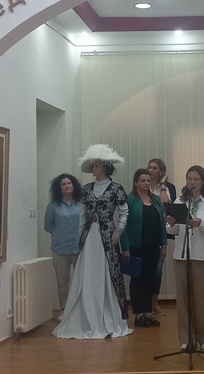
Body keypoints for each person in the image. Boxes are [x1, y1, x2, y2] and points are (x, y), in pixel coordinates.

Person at [53, 144, 132, 339]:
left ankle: (108, 314)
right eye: (93, 165)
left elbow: (124, 212)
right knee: (88, 273)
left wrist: (119, 231)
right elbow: (82, 214)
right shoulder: (87, 189)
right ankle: (86, 314)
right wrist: (81, 234)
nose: (94, 169)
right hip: (89, 238)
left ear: (105, 167)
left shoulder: (116, 188)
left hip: (107, 237)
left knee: (108, 273)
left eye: (97, 165)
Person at [166, 165, 204, 351]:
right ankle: (187, 338)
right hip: (182, 256)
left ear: (203, 182)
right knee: (184, 299)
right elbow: (172, 231)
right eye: (189, 179)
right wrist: (171, 223)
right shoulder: (179, 201)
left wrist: (203, 223)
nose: (192, 182)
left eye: (196, 179)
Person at [121, 168, 168, 328]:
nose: (147, 183)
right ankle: (138, 314)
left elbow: (162, 224)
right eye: (143, 180)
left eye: (148, 180)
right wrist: (125, 248)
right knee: (137, 280)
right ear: (136, 183)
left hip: (153, 246)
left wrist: (164, 244)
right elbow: (124, 226)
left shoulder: (155, 199)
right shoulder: (129, 199)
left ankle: (148, 313)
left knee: (150, 279)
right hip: (135, 246)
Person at [44, 173, 82, 322]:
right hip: (60, 249)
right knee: (62, 282)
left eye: (69, 183)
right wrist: (60, 233)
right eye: (63, 184)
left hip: (79, 249)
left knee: (80, 280)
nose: (67, 186)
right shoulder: (53, 207)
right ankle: (64, 309)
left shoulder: (82, 205)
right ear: (59, 188)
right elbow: (48, 226)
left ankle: (79, 309)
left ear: (73, 185)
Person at [147, 158, 177, 315]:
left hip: (160, 234)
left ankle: (155, 304)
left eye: (155, 168)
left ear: (161, 171)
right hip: (143, 233)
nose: (151, 170)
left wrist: (163, 185)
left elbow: (167, 206)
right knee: (143, 270)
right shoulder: (143, 184)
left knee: (157, 271)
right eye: (149, 167)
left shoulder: (169, 187)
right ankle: (144, 305)